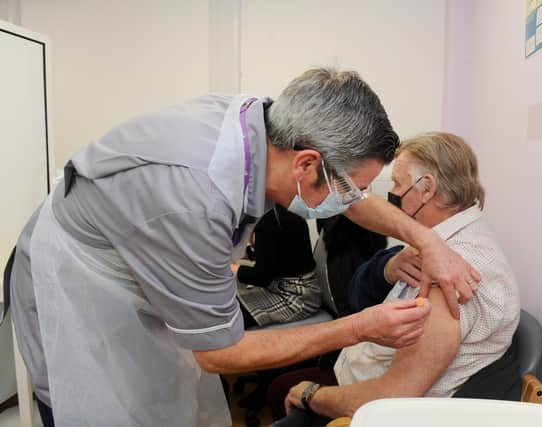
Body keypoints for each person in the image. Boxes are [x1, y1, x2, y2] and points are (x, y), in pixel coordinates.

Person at [4, 69, 477, 426]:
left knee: (165, 394)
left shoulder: (267, 129)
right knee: (99, 404)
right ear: (306, 163)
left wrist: (426, 239)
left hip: (134, 247)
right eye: (352, 187)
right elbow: (218, 354)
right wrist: (357, 328)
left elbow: (347, 201)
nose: (355, 201)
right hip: (82, 276)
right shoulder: (193, 199)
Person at [277, 132, 520, 423]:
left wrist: (310, 394)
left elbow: (392, 397)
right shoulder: (438, 240)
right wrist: (387, 269)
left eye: (396, 183)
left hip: (372, 410)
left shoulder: (452, 274)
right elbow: (358, 296)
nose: (391, 193)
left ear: (427, 188)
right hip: (360, 378)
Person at [232, 204, 320, 328]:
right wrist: (249, 253)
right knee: (227, 297)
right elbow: (280, 255)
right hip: (301, 289)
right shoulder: (278, 209)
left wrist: (232, 270)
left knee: (225, 314)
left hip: (298, 298)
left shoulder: (269, 220)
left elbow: (261, 277)